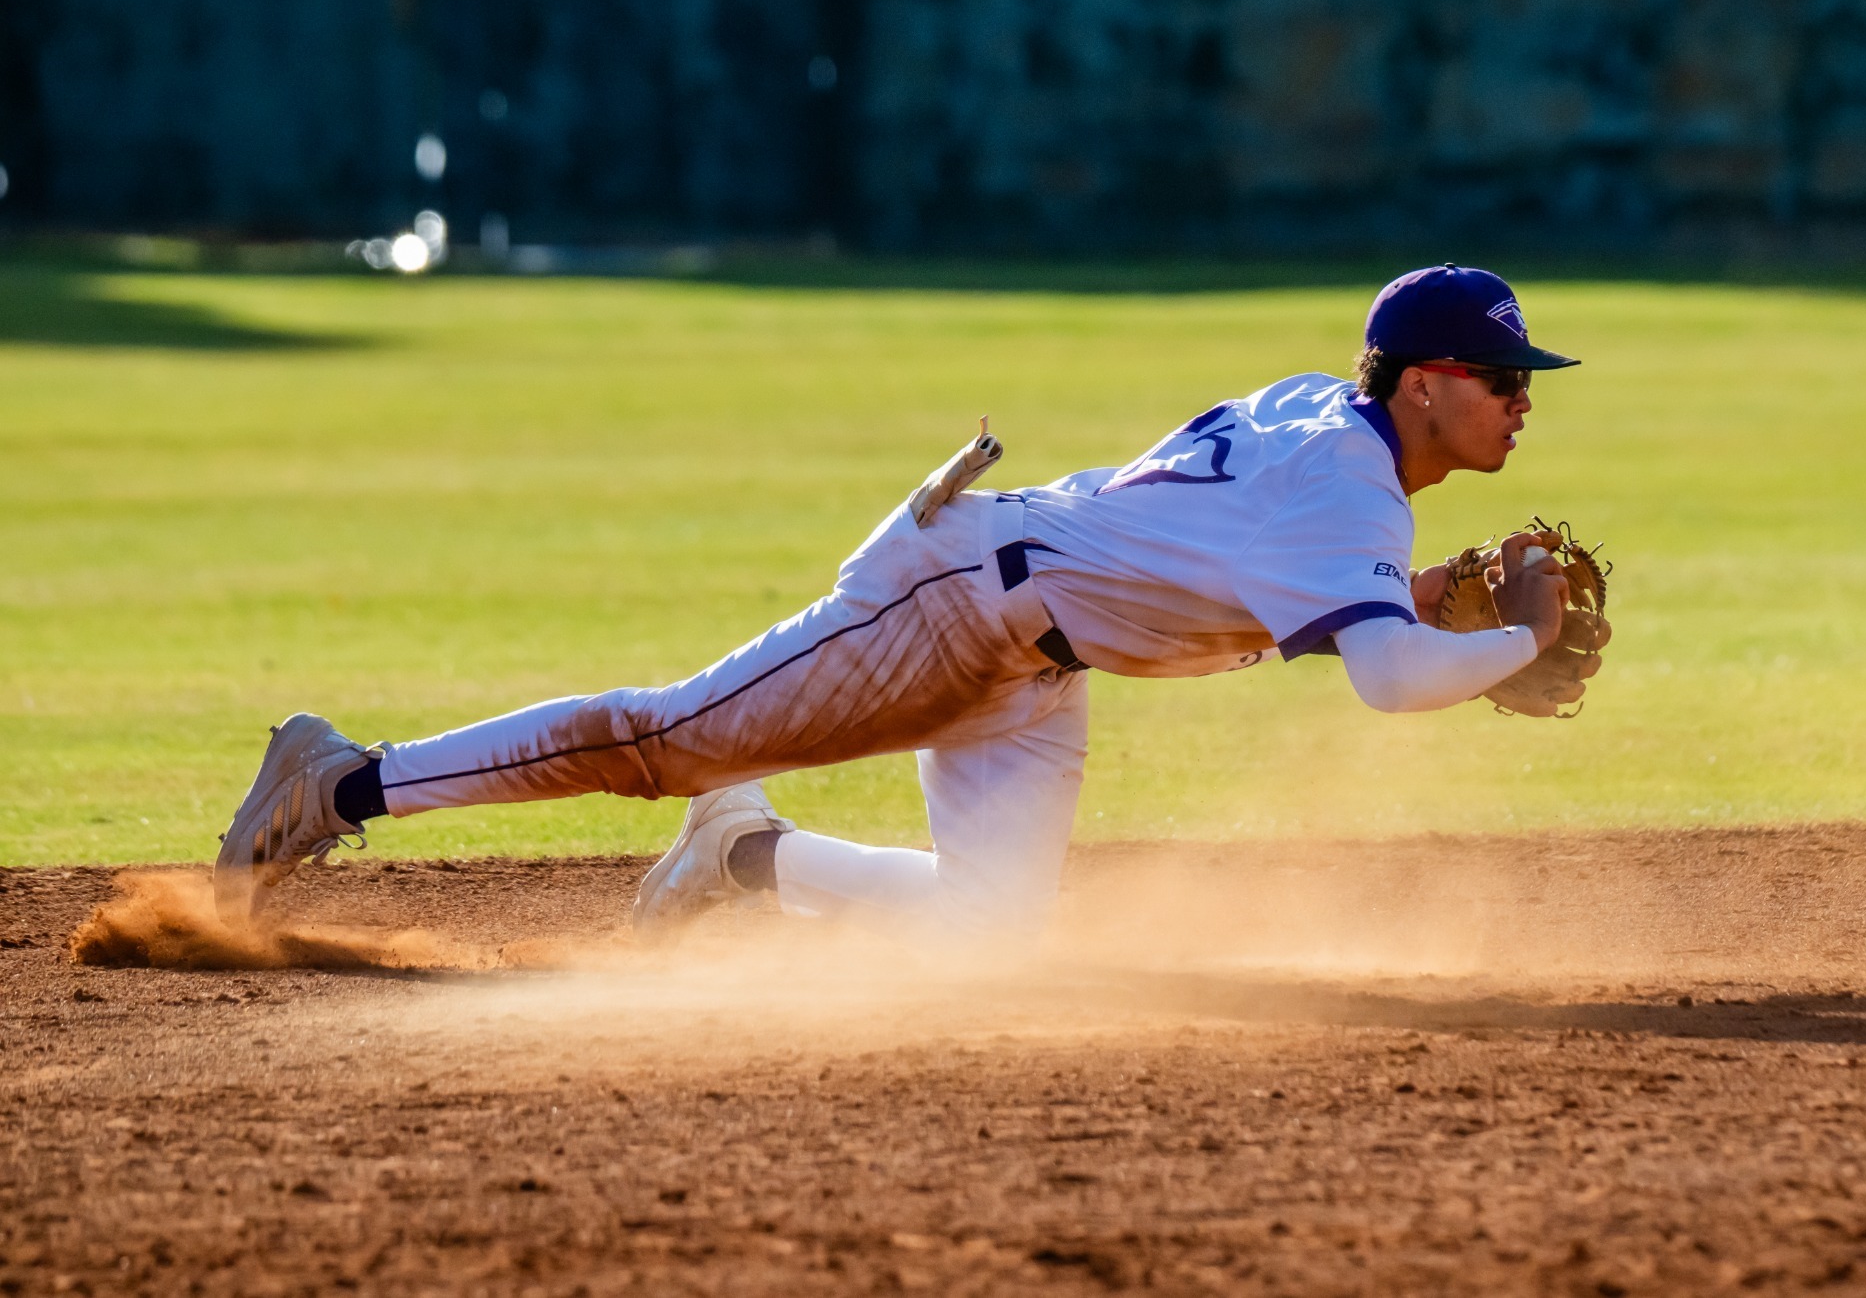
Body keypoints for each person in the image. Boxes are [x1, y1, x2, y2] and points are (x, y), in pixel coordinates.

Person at [214, 264, 1592, 937]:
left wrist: (1423, 597)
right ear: (1425, 384)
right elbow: (1388, 681)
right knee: (664, 738)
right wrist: (1517, 635)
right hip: (952, 601)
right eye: (1503, 378)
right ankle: (342, 781)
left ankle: (742, 856)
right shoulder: (1348, 486)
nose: (1522, 399)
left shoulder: (1323, 420)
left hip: (1032, 658)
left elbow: (1232, 559)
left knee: (992, 940)